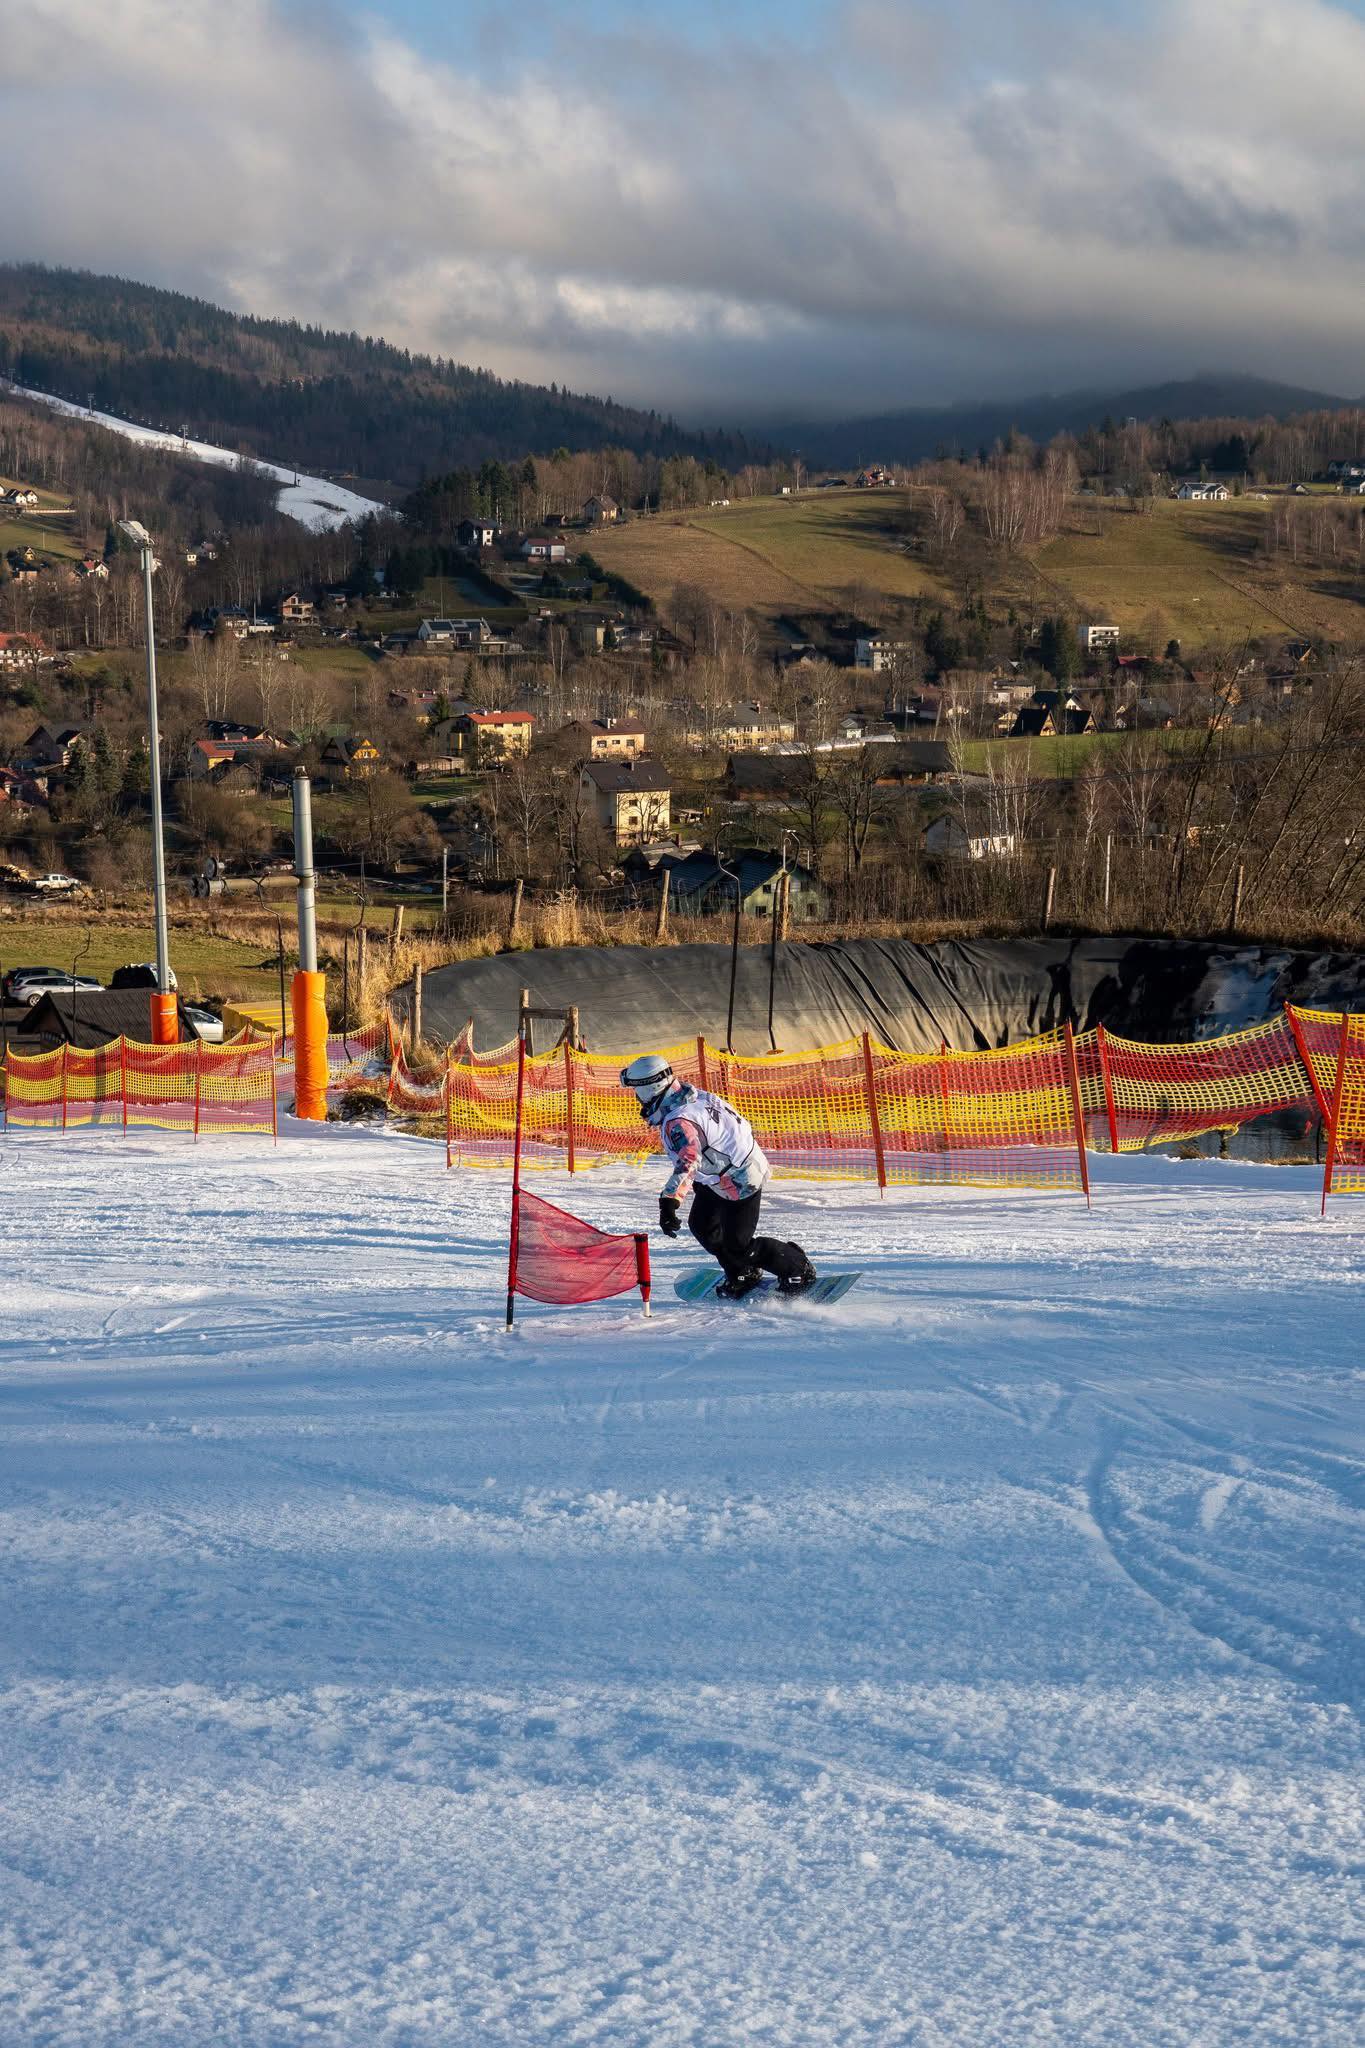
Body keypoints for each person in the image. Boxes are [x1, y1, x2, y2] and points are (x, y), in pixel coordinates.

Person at [620, 1053, 817, 1298]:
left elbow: (688, 1161)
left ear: (650, 1089)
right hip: (717, 1176)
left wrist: (669, 1202)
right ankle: (742, 1272)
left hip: (740, 1178)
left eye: (637, 1091)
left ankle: (797, 1267)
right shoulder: (693, 1096)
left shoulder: (678, 1121)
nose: (637, 1098)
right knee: (703, 1227)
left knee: (738, 1245)